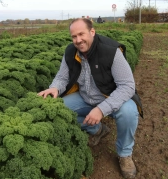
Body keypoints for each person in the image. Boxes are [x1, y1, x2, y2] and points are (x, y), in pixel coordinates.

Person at [38, 18, 139, 178]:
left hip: (110, 98)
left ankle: (125, 153)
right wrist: (54, 87)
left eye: (81, 34)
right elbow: (62, 77)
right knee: (58, 111)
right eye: (74, 36)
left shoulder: (111, 51)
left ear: (92, 32)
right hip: (85, 98)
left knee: (129, 112)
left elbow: (127, 86)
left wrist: (101, 109)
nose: (78, 40)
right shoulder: (71, 52)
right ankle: (97, 130)